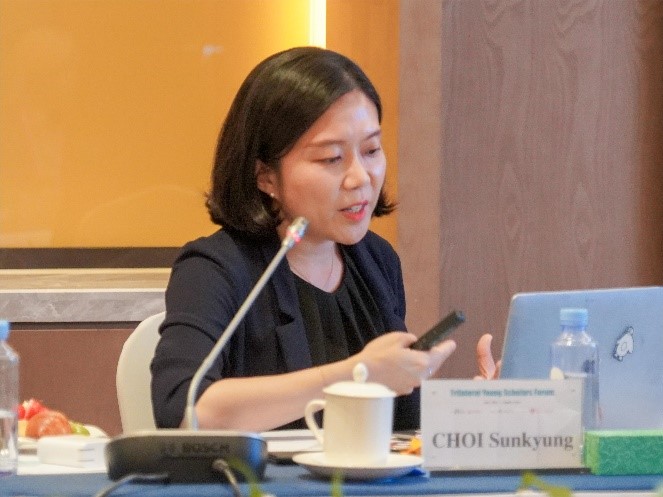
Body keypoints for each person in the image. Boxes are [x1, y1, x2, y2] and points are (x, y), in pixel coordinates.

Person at [151, 46, 498, 433]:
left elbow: (387, 428)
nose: (360, 177)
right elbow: (185, 412)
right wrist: (357, 373)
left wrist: (473, 416)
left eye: (371, 150)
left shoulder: (376, 260)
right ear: (266, 176)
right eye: (332, 158)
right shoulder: (213, 269)